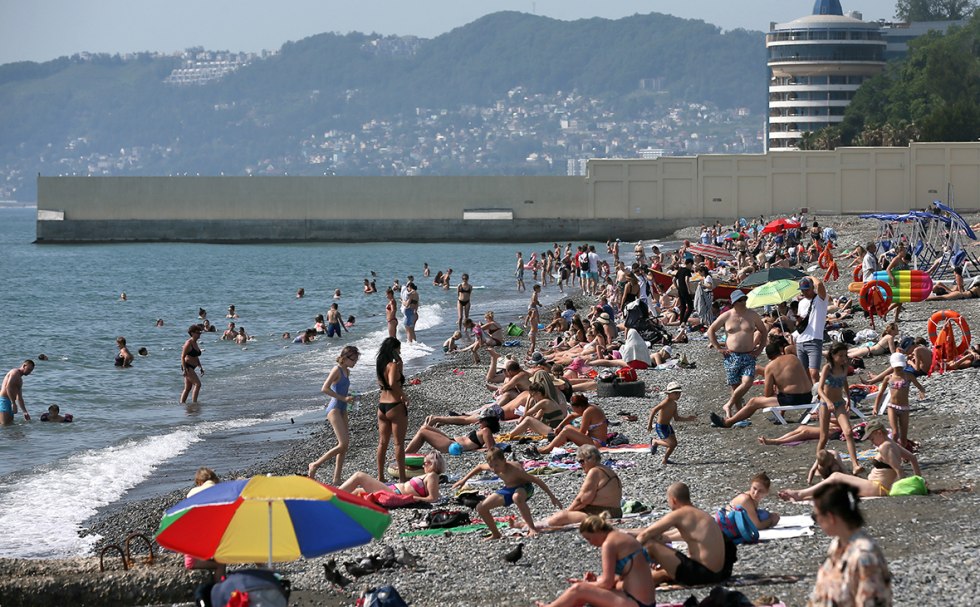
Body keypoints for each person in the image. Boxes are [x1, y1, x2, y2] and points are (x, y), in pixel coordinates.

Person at [780, 418, 921, 500]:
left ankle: (799, 494)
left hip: (878, 488)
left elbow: (899, 471)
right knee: (838, 486)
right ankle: (802, 494)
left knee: (836, 477)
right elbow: (913, 458)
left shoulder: (885, 447)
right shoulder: (892, 444)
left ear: (879, 432)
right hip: (876, 485)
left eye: (872, 438)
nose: (872, 442)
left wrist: (905, 490)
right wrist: (919, 481)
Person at [535, 514, 656, 607]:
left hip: (635, 602)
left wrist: (585, 584)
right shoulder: (623, 537)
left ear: (597, 530)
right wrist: (595, 581)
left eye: (589, 538)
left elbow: (607, 583)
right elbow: (621, 577)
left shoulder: (609, 544)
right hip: (646, 601)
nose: (590, 543)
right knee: (584, 592)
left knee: (578, 589)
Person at [806, 483, 893, 606]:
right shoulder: (837, 544)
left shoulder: (864, 556)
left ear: (831, 517)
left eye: (816, 516)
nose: (816, 521)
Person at [637, 482, 737, 587]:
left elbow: (644, 535)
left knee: (649, 544)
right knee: (662, 573)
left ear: (673, 500)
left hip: (702, 574)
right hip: (719, 574)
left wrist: (625, 556)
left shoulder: (680, 514)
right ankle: (636, 583)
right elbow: (663, 535)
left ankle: (627, 575)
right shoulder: (702, 514)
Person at [454, 447, 562, 539]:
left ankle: (532, 529)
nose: (494, 469)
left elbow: (537, 480)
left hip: (525, 488)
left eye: (496, 465)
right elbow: (479, 467)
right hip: (508, 488)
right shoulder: (493, 466)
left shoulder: (515, 469)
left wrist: (552, 497)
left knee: (516, 497)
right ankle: (496, 534)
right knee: (481, 508)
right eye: (491, 466)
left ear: (504, 460)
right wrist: (463, 480)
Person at [710, 335, 813, 428]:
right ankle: (731, 420)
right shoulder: (793, 358)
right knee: (778, 394)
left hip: (794, 399)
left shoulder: (770, 366)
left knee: (754, 402)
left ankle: (728, 422)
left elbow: (767, 394)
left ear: (769, 357)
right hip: (808, 396)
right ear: (780, 351)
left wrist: (775, 386)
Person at [707, 289, 768, 417]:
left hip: (749, 354)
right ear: (734, 302)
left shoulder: (752, 315)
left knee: (747, 382)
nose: (744, 301)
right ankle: (737, 415)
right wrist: (719, 348)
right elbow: (711, 330)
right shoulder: (727, 315)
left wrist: (759, 349)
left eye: (745, 299)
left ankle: (728, 405)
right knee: (735, 387)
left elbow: (763, 331)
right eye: (740, 300)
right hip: (731, 355)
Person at [308, 346, 360, 484]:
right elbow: (324, 388)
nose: (355, 362)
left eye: (356, 359)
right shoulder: (336, 370)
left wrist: (349, 397)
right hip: (334, 408)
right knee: (342, 443)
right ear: (345, 358)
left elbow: (342, 391)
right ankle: (315, 464)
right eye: (353, 359)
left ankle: (337, 478)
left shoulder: (347, 371)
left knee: (344, 445)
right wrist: (343, 399)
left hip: (343, 408)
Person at [816, 342, 861, 475]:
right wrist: (828, 401)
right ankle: (819, 465)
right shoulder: (827, 368)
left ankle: (855, 465)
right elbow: (819, 389)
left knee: (848, 432)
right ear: (833, 355)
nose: (844, 358)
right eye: (840, 355)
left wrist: (848, 397)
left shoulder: (844, 366)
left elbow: (845, 382)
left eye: (845, 355)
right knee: (824, 437)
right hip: (825, 404)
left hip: (839, 404)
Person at [340, 452, 445, 503]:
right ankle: (335, 503)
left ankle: (330, 497)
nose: (422, 466)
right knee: (357, 491)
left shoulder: (432, 476)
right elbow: (437, 495)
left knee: (359, 476)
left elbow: (433, 498)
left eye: (424, 463)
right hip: (392, 489)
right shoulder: (430, 477)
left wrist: (411, 498)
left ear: (431, 463)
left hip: (395, 494)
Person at [872, 352, 924, 449]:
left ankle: (902, 453)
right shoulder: (888, 378)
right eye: (897, 367)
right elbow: (880, 393)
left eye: (900, 367)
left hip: (904, 408)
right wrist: (875, 407)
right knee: (895, 433)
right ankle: (893, 452)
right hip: (892, 406)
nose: (899, 369)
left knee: (903, 437)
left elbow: (919, 386)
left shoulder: (908, 376)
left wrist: (921, 391)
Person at [528, 394, 608, 454]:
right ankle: (550, 446)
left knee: (567, 430)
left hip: (597, 444)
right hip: (595, 440)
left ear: (579, 407)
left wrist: (567, 435)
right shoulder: (590, 407)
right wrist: (560, 427)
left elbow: (582, 432)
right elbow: (572, 415)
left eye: (575, 409)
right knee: (567, 428)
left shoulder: (588, 411)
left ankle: (547, 449)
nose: (575, 411)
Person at [376, 337, 409, 482]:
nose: (400, 352)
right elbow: (392, 383)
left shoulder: (380, 365)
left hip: (382, 406)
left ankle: (380, 476)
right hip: (395, 405)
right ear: (394, 350)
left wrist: (400, 363)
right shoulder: (392, 365)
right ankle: (402, 478)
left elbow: (386, 382)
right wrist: (404, 396)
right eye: (398, 349)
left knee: (382, 443)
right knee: (398, 443)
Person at [184, 468, 225, 581]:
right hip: (193, 561)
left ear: (200, 483)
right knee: (221, 564)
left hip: (193, 555)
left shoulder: (193, 496)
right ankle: (220, 588)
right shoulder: (217, 492)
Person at [646, 381, 697, 464]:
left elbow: (676, 418)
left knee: (674, 444)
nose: (678, 396)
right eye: (676, 393)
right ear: (669, 394)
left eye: (679, 393)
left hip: (668, 426)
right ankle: (655, 442)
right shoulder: (665, 402)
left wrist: (688, 419)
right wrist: (649, 425)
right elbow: (653, 410)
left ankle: (665, 460)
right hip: (661, 427)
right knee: (671, 444)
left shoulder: (674, 404)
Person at [406, 410, 499, 453]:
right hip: (450, 441)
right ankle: (408, 454)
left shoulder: (486, 430)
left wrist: (475, 450)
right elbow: (491, 444)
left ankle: (404, 455)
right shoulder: (485, 431)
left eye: (481, 420)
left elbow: (491, 448)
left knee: (423, 432)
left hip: (452, 446)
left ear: (487, 421)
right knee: (425, 427)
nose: (479, 422)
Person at [796, 276, 828, 384]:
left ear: (812, 288)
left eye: (807, 290)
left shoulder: (820, 299)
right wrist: (798, 321)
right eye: (803, 290)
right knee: (804, 374)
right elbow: (800, 323)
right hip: (800, 340)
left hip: (814, 339)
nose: (805, 293)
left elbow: (820, 285)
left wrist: (810, 276)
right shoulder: (801, 303)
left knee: (814, 372)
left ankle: (819, 395)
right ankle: (811, 395)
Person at [1, 360, 33, 426]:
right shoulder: (14, 372)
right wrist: (13, 403)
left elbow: (20, 397)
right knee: (4, 425)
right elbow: (8, 387)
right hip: (4, 400)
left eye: (31, 370)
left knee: (10, 425)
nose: (29, 372)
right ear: (24, 366)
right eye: (29, 369)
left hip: (10, 402)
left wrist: (25, 412)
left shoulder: (20, 380)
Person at [180, 326, 204, 405]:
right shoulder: (188, 343)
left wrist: (200, 367)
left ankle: (182, 404)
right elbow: (182, 356)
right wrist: (184, 369)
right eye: (197, 333)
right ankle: (194, 404)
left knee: (187, 388)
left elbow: (196, 356)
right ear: (192, 333)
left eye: (200, 333)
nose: (199, 334)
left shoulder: (195, 342)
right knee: (198, 384)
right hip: (187, 366)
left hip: (193, 367)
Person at [674, 258, 695, 324]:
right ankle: (684, 321)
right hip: (685, 290)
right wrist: (689, 290)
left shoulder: (680, 269)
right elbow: (686, 280)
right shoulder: (687, 271)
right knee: (690, 306)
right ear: (689, 264)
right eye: (691, 265)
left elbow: (673, 280)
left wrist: (677, 287)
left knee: (683, 306)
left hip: (680, 290)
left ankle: (681, 322)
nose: (691, 267)